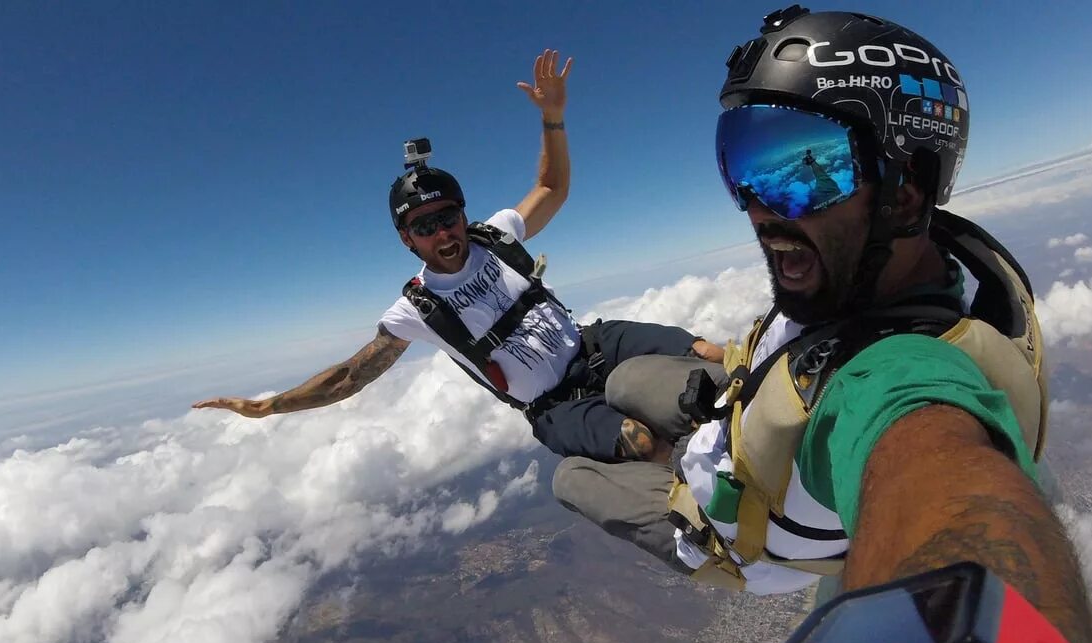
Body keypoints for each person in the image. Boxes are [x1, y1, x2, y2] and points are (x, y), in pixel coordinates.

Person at [551, 6, 1092, 643]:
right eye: (743, 162)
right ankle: (671, 432)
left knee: (572, 475)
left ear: (904, 195)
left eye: (809, 171)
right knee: (619, 381)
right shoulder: (895, 270)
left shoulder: (900, 372)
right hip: (743, 406)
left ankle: (665, 455)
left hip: (731, 526)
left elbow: (939, 471)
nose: (757, 205)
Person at [193, 49, 724, 464]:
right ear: (407, 240)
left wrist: (553, 119)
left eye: (448, 217)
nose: (442, 233)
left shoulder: (495, 237)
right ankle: (713, 515)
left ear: (463, 215)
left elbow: (551, 187)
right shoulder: (418, 309)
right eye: (424, 227)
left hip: (595, 344)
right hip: (555, 406)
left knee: (708, 354)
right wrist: (269, 407)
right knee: (641, 442)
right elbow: (348, 377)